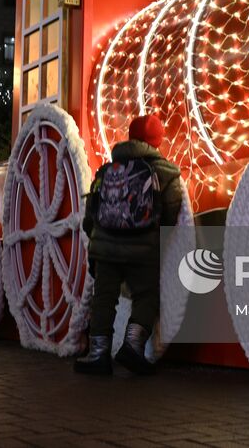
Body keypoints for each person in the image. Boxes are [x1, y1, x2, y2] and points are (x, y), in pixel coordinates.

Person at [75, 114, 183, 376]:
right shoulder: (166, 171)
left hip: (106, 248)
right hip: (144, 250)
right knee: (146, 296)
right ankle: (133, 346)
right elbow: (172, 210)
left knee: (103, 298)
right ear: (156, 141)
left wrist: (97, 239)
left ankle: (98, 354)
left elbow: (92, 212)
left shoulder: (107, 169)